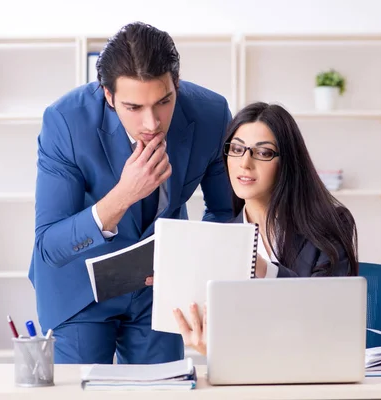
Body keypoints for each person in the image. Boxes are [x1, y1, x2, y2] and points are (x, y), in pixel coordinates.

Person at [28, 21, 233, 365]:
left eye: (164, 101)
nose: (152, 123)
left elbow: (224, 209)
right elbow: (49, 245)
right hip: (79, 286)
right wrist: (123, 195)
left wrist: (191, 269)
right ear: (108, 96)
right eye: (134, 108)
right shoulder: (65, 121)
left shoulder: (211, 113)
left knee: (164, 389)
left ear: (176, 84)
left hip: (160, 286)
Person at [171, 101, 359, 356]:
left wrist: (265, 270)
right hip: (243, 380)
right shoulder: (222, 239)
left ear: (288, 163)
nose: (245, 163)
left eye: (263, 152)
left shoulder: (329, 225)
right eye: (236, 149)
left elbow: (326, 316)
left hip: (312, 378)